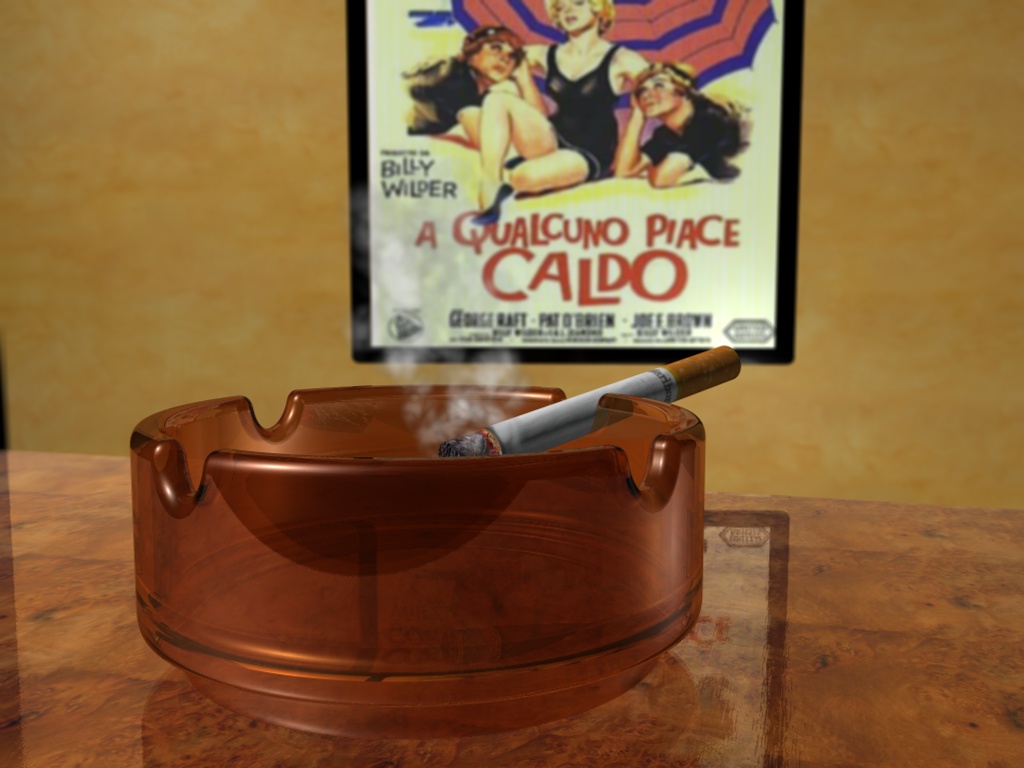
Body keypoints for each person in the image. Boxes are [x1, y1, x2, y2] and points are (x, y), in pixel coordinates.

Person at [472, 0, 648, 224]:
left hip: (591, 150)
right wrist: (523, 77)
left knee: (522, 177)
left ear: (598, 9)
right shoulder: (543, 53)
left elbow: (664, 86)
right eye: (561, 7)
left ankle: (515, 177)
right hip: (552, 137)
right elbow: (485, 61)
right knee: (496, 99)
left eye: (577, 3)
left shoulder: (622, 59)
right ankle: (490, 183)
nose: (568, 11)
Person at [614, 62, 750, 187]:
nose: (646, 95)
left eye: (659, 86)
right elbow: (624, 171)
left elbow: (660, 180)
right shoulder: (665, 135)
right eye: (641, 91)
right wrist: (637, 114)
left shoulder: (708, 120)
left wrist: (652, 171)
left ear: (683, 91)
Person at [404, 26, 527, 146]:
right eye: (496, 48)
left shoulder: (484, 96)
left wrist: (524, 79)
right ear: (472, 53)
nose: (505, 59)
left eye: (513, 56)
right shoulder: (454, 79)